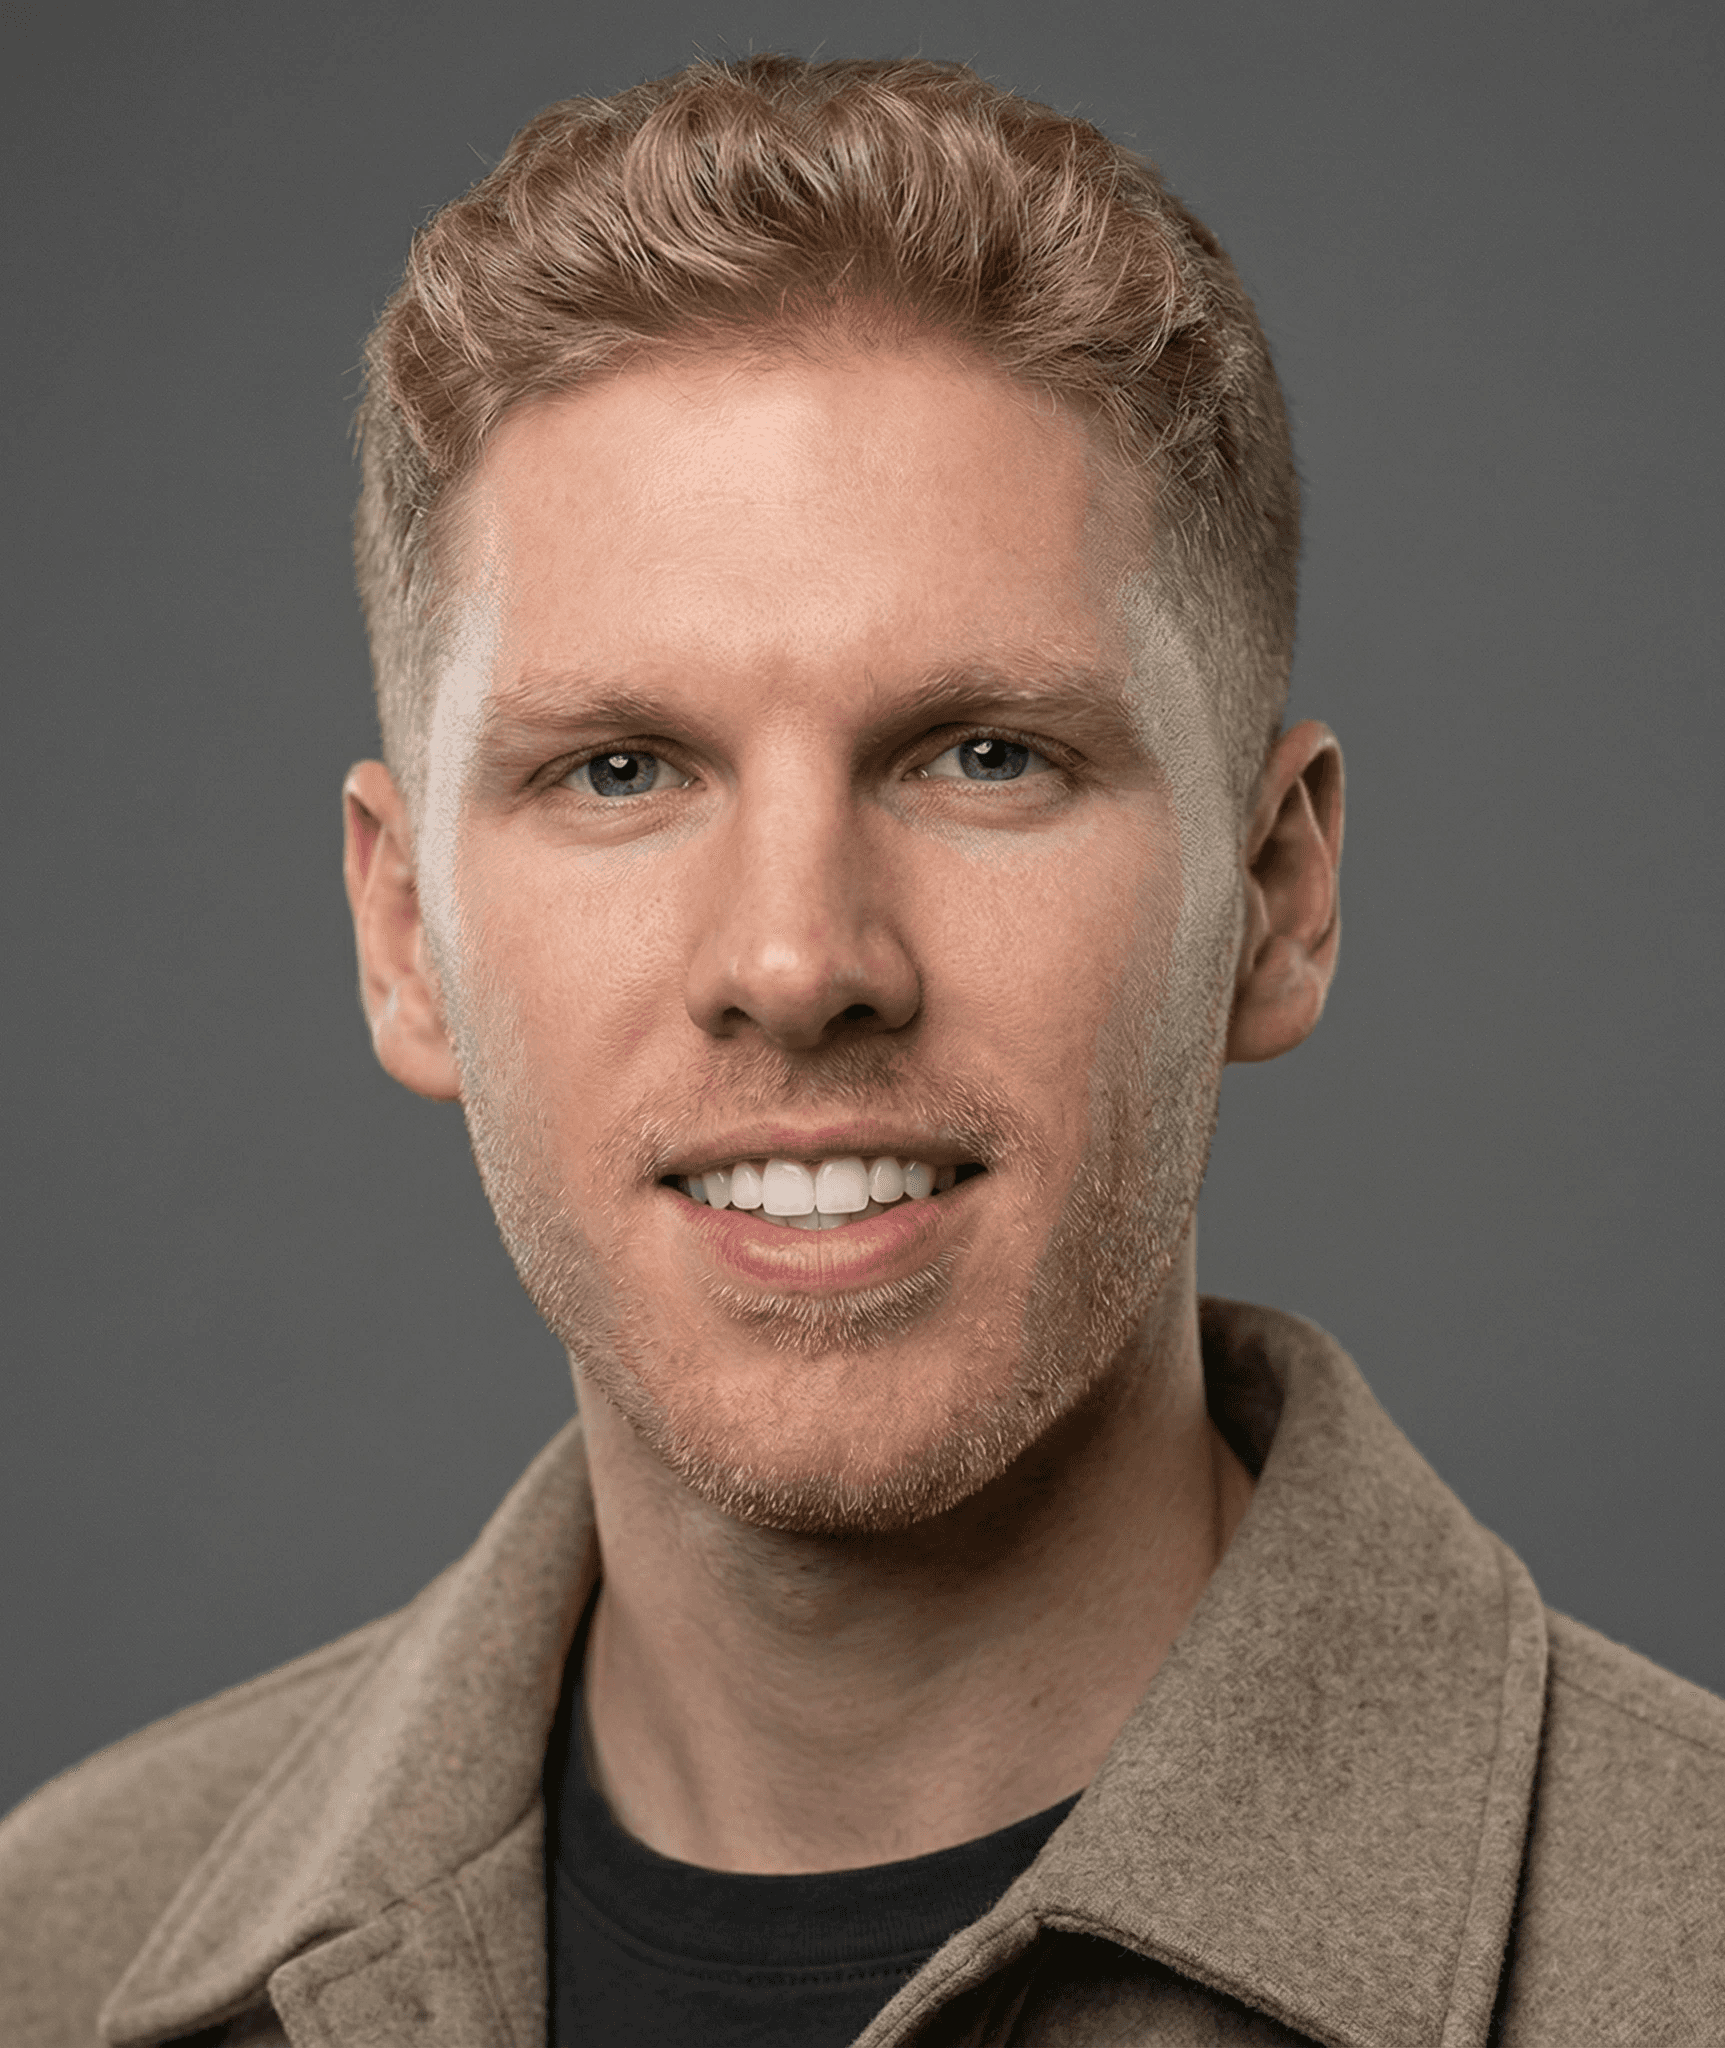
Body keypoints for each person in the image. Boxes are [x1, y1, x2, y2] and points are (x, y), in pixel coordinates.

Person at [3, 52, 1720, 2048]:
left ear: (1276, 890)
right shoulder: (52, 1958)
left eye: (984, 755)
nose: (799, 957)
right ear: (404, 938)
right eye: (620, 769)